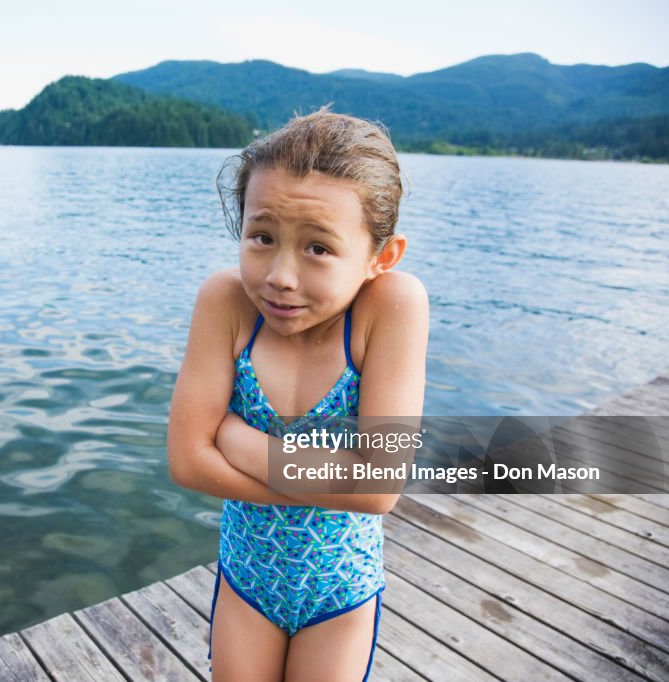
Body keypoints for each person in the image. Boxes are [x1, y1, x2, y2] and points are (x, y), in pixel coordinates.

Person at [167, 108, 429, 681]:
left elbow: (378, 487)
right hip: (249, 579)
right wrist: (321, 482)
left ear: (379, 257)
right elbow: (187, 462)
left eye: (318, 248)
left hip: (340, 590)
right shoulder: (226, 301)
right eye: (262, 237)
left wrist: (233, 438)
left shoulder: (391, 307)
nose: (281, 275)